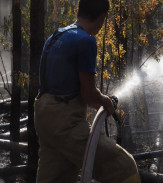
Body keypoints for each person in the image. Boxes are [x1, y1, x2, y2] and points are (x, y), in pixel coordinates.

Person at [34, 0, 140, 182]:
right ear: (102, 17)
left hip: (44, 117)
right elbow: (89, 95)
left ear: (78, 11)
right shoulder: (86, 41)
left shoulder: (57, 36)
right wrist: (107, 102)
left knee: (56, 176)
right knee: (124, 167)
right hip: (66, 124)